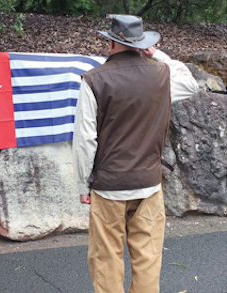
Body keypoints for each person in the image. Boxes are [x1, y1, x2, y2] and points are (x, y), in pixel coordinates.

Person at [72, 15, 199, 293]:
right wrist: (157, 54)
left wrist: (83, 183)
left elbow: (84, 140)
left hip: (109, 188)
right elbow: (191, 84)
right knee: (148, 258)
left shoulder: (93, 81)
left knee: (106, 260)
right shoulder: (161, 76)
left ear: (112, 43)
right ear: (141, 43)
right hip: (149, 186)